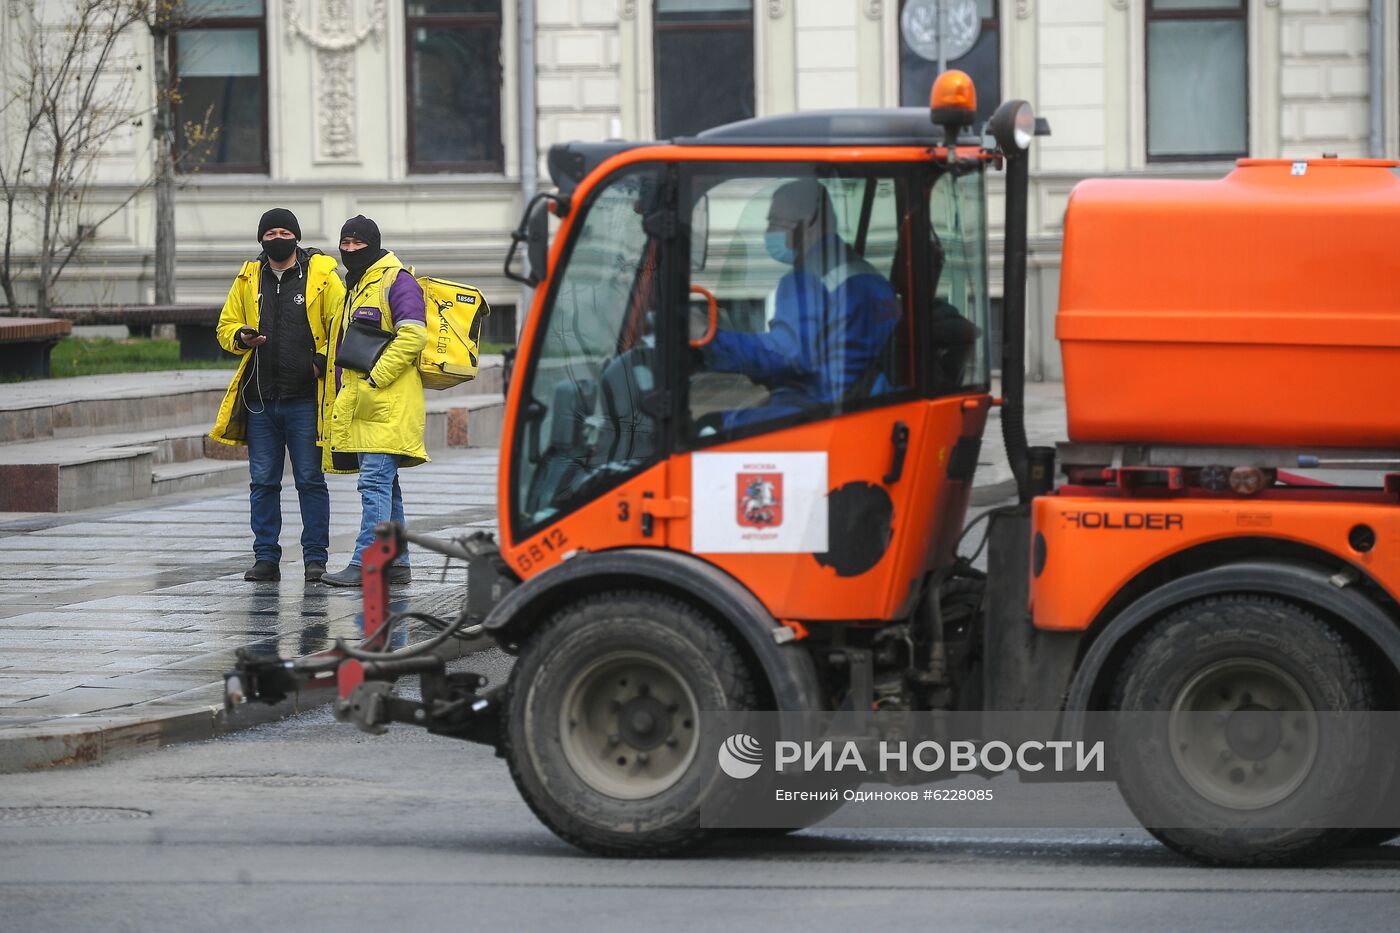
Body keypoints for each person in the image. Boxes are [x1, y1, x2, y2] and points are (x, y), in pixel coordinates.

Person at [701, 179, 901, 431]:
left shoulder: (807, 279)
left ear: (809, 221)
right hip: (861, 407)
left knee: (706, 428)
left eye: (775, 222)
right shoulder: (868, 275)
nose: (769, 231)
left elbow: (784, 355)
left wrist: (709, 338)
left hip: (820, 412)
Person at [210, 208, 344, 582]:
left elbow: (341, 326)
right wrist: (241, 337)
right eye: (270, 233)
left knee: (309, 481)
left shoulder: (322, 277)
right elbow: (226, 326)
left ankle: (315, 559)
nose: (277, 238)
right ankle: (265, 557)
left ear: (297, 237)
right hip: (260, 400)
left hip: (305, 399)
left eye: (284, 231)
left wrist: (319, 363)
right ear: (261, 239)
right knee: (263, 482)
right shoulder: (248, 278)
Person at [319, 215, 429, 588]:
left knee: (374, 484)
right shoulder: (357, 285)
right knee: (386, 485)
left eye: (358, 244)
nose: (350, 250)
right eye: (345, 243)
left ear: (375, 245)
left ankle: (369, 561)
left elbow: (413, 336)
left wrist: (377, 376)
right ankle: (397, 564)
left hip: (387, 403)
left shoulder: (397, 281)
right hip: (368, 404)